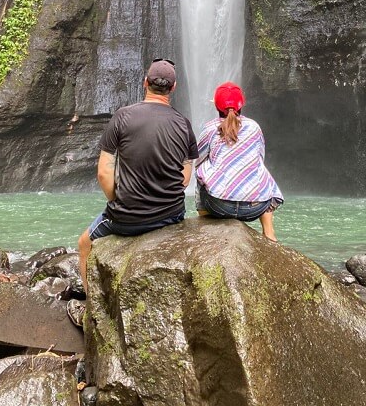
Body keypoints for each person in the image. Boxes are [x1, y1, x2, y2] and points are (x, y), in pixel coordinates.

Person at [77, 58, 198, 295]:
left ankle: (90, 302)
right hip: (171, 216)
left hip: (126, 219)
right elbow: (185, 174)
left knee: (84, 244)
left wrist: (118, 201)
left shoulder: (122, 116)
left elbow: (103, 172)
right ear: (173, 88)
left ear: (145, 82)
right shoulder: (184, 124)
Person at [195, 82, 283, 242]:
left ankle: (205, 223)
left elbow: (198, 159)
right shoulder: (254, 127)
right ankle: (269, 232)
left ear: (216, 105)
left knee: (201, 170)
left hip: (219, 206)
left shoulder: (209, 129)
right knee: (260, 168)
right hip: (255, 208)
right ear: (242, 104)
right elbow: (260, 157)